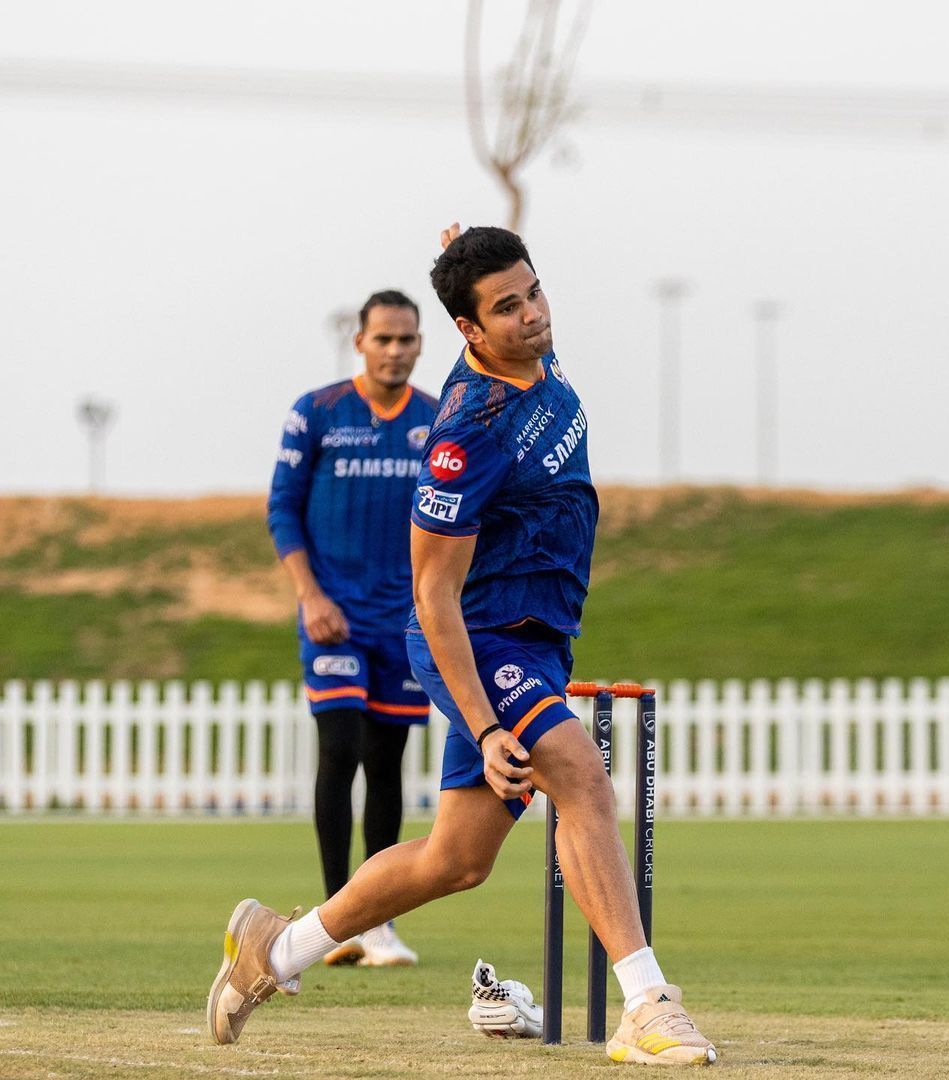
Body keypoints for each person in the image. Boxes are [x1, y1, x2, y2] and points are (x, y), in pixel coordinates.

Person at [210, 228, 716, 1066]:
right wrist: (485, 728)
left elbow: (506, 301)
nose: (532, 315)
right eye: (506, 308)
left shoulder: (536, 357)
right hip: (477, 641)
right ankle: (647, 1005)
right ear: (471, 333)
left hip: (538, 640)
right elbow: (433, 597)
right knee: (579, 773)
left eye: (534, 293)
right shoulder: (464, 436)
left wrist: (466, 246)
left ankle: (276, 948)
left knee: (456, 859)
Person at [266, 289, 437, 967]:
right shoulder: (318, 413)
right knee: (338, 748)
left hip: (403, 621)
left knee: (386, 762)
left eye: (407, 339)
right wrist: (309, 596)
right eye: (383, 339)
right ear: (359, 342)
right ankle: (334, 919)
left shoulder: (435, 419)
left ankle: (379, 923)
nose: (395, 351)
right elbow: (282, 509)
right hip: (331, 614)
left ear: (421, 344)